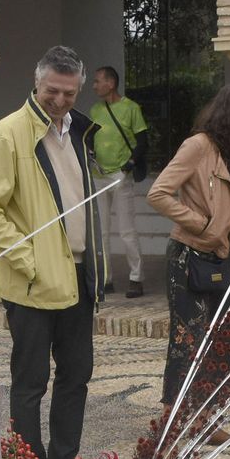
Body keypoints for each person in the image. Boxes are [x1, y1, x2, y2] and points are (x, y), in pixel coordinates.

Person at [0, 45, 107, 459]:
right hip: (31, 281)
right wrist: (29, 259)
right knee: (30, 382)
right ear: (36, 83)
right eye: (53, 91)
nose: (60, 100)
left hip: (79, 274)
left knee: (76, 376)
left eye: (69, 93)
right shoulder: (7, 134)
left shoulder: (78, 131)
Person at [147, 83, 230, 448]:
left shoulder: (225, 151)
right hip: (189, 258)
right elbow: (158, 193)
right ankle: (172, 424)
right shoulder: (197, 145)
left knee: (221, 342)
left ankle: (206, 420)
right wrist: (201, 224)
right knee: (188, 341)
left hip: (220, 257)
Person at [88, 66, 149, 298]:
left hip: (120, 176)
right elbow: (90, 138)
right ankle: (106, 278)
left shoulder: (131, 108)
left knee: (126, 230)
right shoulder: (95, 110)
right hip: (98, 175)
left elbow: (143, 141)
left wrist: (129, 165)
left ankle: (136, 278)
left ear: (111, 84)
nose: (94, 85)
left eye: (97, 81)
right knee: (101, 231)